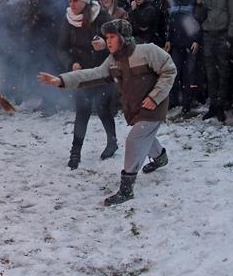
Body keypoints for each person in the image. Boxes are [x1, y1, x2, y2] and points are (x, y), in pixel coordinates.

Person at [38, 19, 177, 206]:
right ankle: (160, 157)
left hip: (154, 105)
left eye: (112, 37)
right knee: (145, 135)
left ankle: (126, 190)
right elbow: (92, 75)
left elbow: (169, 70)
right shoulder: (113, 61)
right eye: (107, 37)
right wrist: (61, 80)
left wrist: (155, 97)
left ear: (124, 38)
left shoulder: (147, 51)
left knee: (135, 139)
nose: (108, 41)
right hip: (135, 107)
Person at [57, 0, 116, 167]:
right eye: (70, 0)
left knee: (102, 108)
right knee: (82, 110)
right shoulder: (68, 19)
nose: (72, 4)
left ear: (84, 1)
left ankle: (112, 142)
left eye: (75, 0)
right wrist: (70, 63)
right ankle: (75, 152)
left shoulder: (101, 16)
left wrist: (106, 45)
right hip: (81, 71)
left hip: (102, 69)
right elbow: (61, 48)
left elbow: (119, 40)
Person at [194, 0, 233, 121]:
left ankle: (221, 105)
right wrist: (199, 3)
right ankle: (213, 105)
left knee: (223, 72)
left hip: (222, 35)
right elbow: (201, 15)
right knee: (210, 73)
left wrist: (229, 37)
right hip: (208, 35)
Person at [165, 0, 200, 114]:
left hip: (190, 41)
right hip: (176, 42)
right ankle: (174, 101)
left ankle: (188, 102)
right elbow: (170, 21)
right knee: (175, 72)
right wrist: (168, 39)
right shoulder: (173, 0)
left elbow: (198, 20)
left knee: (189, 73)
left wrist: (197, 39)